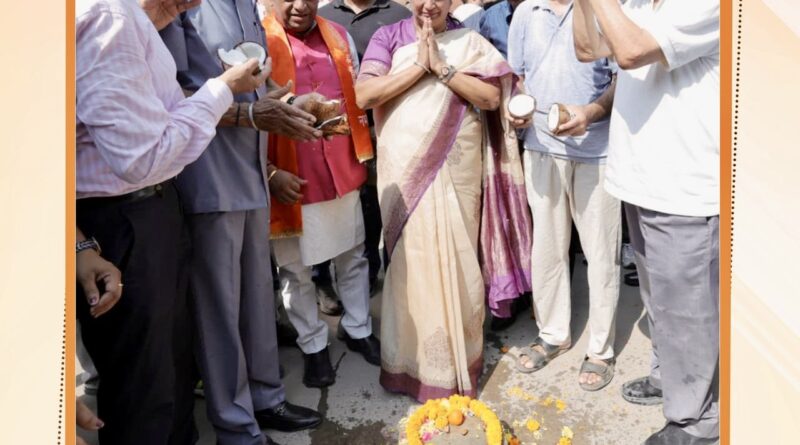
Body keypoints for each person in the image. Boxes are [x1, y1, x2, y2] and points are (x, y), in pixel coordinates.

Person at [76, 0, 266, 442]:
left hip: (149, 209)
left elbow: (152, 114)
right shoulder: (109, 18)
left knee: (173, 373)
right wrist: (222, 89)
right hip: (124, 217)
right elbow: (141, 158)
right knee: (147, 387)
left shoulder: (130, 19)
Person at [159, 2, 325, 444]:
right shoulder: (183, 8)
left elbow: (258, 89)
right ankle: (235, 427)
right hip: (208, 177)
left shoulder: (247, 6)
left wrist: (293, 105)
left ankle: (267, 399)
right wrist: (248, 115)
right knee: (219, 310)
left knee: (257, 297)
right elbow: (170, 96)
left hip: (252, 173)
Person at [355, 0, 531, 402]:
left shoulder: (469, 40)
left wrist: (444, 69)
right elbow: (364, 95)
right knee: (411, 262)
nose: (429, 4)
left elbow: (491, 98)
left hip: (459, 170)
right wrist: (420, 66)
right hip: (405, 170)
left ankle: (460, 359)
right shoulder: (388, 37)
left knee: (459, 254)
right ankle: (411, 365)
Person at [572, 1, 720, 443]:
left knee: (688, 315)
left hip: (684, 188)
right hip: (640, 180)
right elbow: (588, 48)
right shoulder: (636, 4)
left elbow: (631, 51)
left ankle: (697, 423)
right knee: (660, 303)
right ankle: (670, 380)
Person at [262, 0, 381, 389]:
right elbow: (248, 114)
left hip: (341, 168)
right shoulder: (259, 40)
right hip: (292, 177)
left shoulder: (338, 35)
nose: (300, 6)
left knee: (353, 255)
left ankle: (358, 327)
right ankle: (313, 345)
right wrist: (270, 172)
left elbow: (358, 97)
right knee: (295, 270)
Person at [506, 0, 620, 392]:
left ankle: (601, 350)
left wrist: (590, 112)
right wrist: (516, 109)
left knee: (601, 252)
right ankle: (553, 334)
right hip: (540, 147)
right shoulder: (527, 12)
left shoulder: (604, 7)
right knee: (547, 248)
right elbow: (518, 77)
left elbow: (623, 79)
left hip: (597, 150)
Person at [318, 0, 413, 302]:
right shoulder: (322, 16)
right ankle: (322, 279)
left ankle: (375, 274)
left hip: (386, 133)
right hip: (333, 136)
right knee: (330, 212)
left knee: (377, 208)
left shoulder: (399, 15)